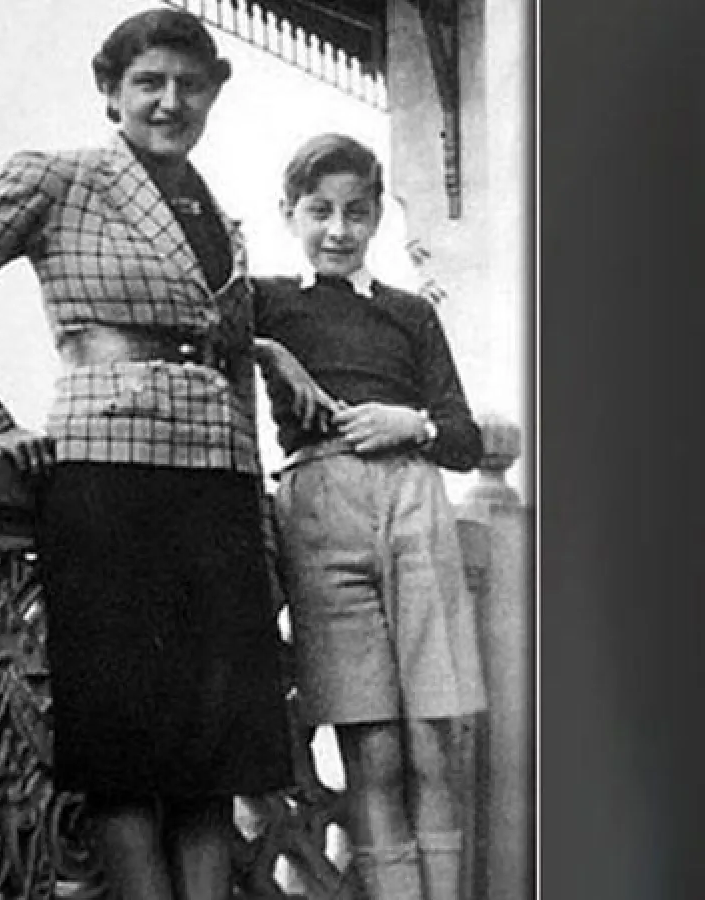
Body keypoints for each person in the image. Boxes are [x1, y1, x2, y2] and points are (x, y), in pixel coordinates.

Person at [0, 10, 295, 900]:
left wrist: (256, 513)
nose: (171, 101)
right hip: (110, 484)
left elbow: (231, 367)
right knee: (125, 754)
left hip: (217, 493)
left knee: (214, 756)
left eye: (190, 85)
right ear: (111, 92)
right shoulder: (59, 178)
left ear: (212, 96)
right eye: (149, 83)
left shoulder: (218, 217)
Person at [251, 133, 487, 900]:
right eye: (319, 211)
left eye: (356, 212)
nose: (338, 229)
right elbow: (199, 323)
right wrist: (271, 352)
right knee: (373, 753)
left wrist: (411, 422)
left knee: (433, 746)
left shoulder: (409, 313)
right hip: (321, 509)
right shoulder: (268, 301)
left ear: (378, 216)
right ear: (289, 213)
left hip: (414, 500)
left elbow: (463, 438)